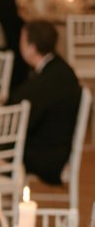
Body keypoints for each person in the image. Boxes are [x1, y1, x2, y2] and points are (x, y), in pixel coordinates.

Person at [11, 20, 82, 186]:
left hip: (49, 157)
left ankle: (5, 198)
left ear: (32, 47)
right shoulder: (61, 68)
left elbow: (23, 113)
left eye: (22, 40)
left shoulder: (45, 82)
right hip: (59, 148)